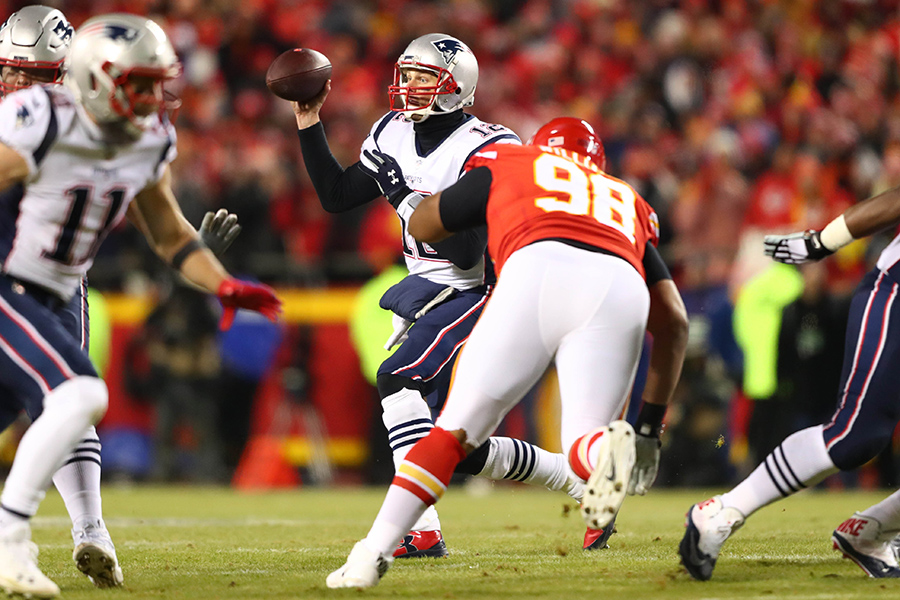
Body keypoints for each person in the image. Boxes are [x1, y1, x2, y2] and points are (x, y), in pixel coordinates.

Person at [325, 116, 689, 588]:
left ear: (540, 148)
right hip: (618, 285)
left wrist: (406, 194)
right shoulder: (628, 198)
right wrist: (648, 429)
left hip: (535, 271)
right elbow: (675, 322)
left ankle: (371, 555)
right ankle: (604, 454)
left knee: (452, 434)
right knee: (582, 440)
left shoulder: (514, 162)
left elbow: (426, 223)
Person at [0, 14, 281, 598]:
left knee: (64, 403)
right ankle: (11, 539)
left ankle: (88, 528)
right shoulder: (37, 119)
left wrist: (223, 284)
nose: (155, 97)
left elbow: (171, 234)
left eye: (157, 83)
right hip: (11, 283)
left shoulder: (149, 137)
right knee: (76, 393)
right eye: (140, 84)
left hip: (56, 287)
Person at [291, 34, 587, 558]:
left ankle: (421, 530)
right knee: (457, 448)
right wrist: (309, 122)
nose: (407, 87)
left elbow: (469, 253)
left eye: (422, 77)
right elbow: (336, 197)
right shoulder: (392, 133)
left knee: (397, 377)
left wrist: (404, 196)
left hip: (490, 287)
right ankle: (574, 476)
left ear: (456, 87)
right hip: (438, 289)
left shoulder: (489, 147)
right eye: (405, 75)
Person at [679, 179, 900, 580]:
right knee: (854, 436)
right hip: (896, 294)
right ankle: (723, 510)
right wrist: (821, 243)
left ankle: (872, 530)